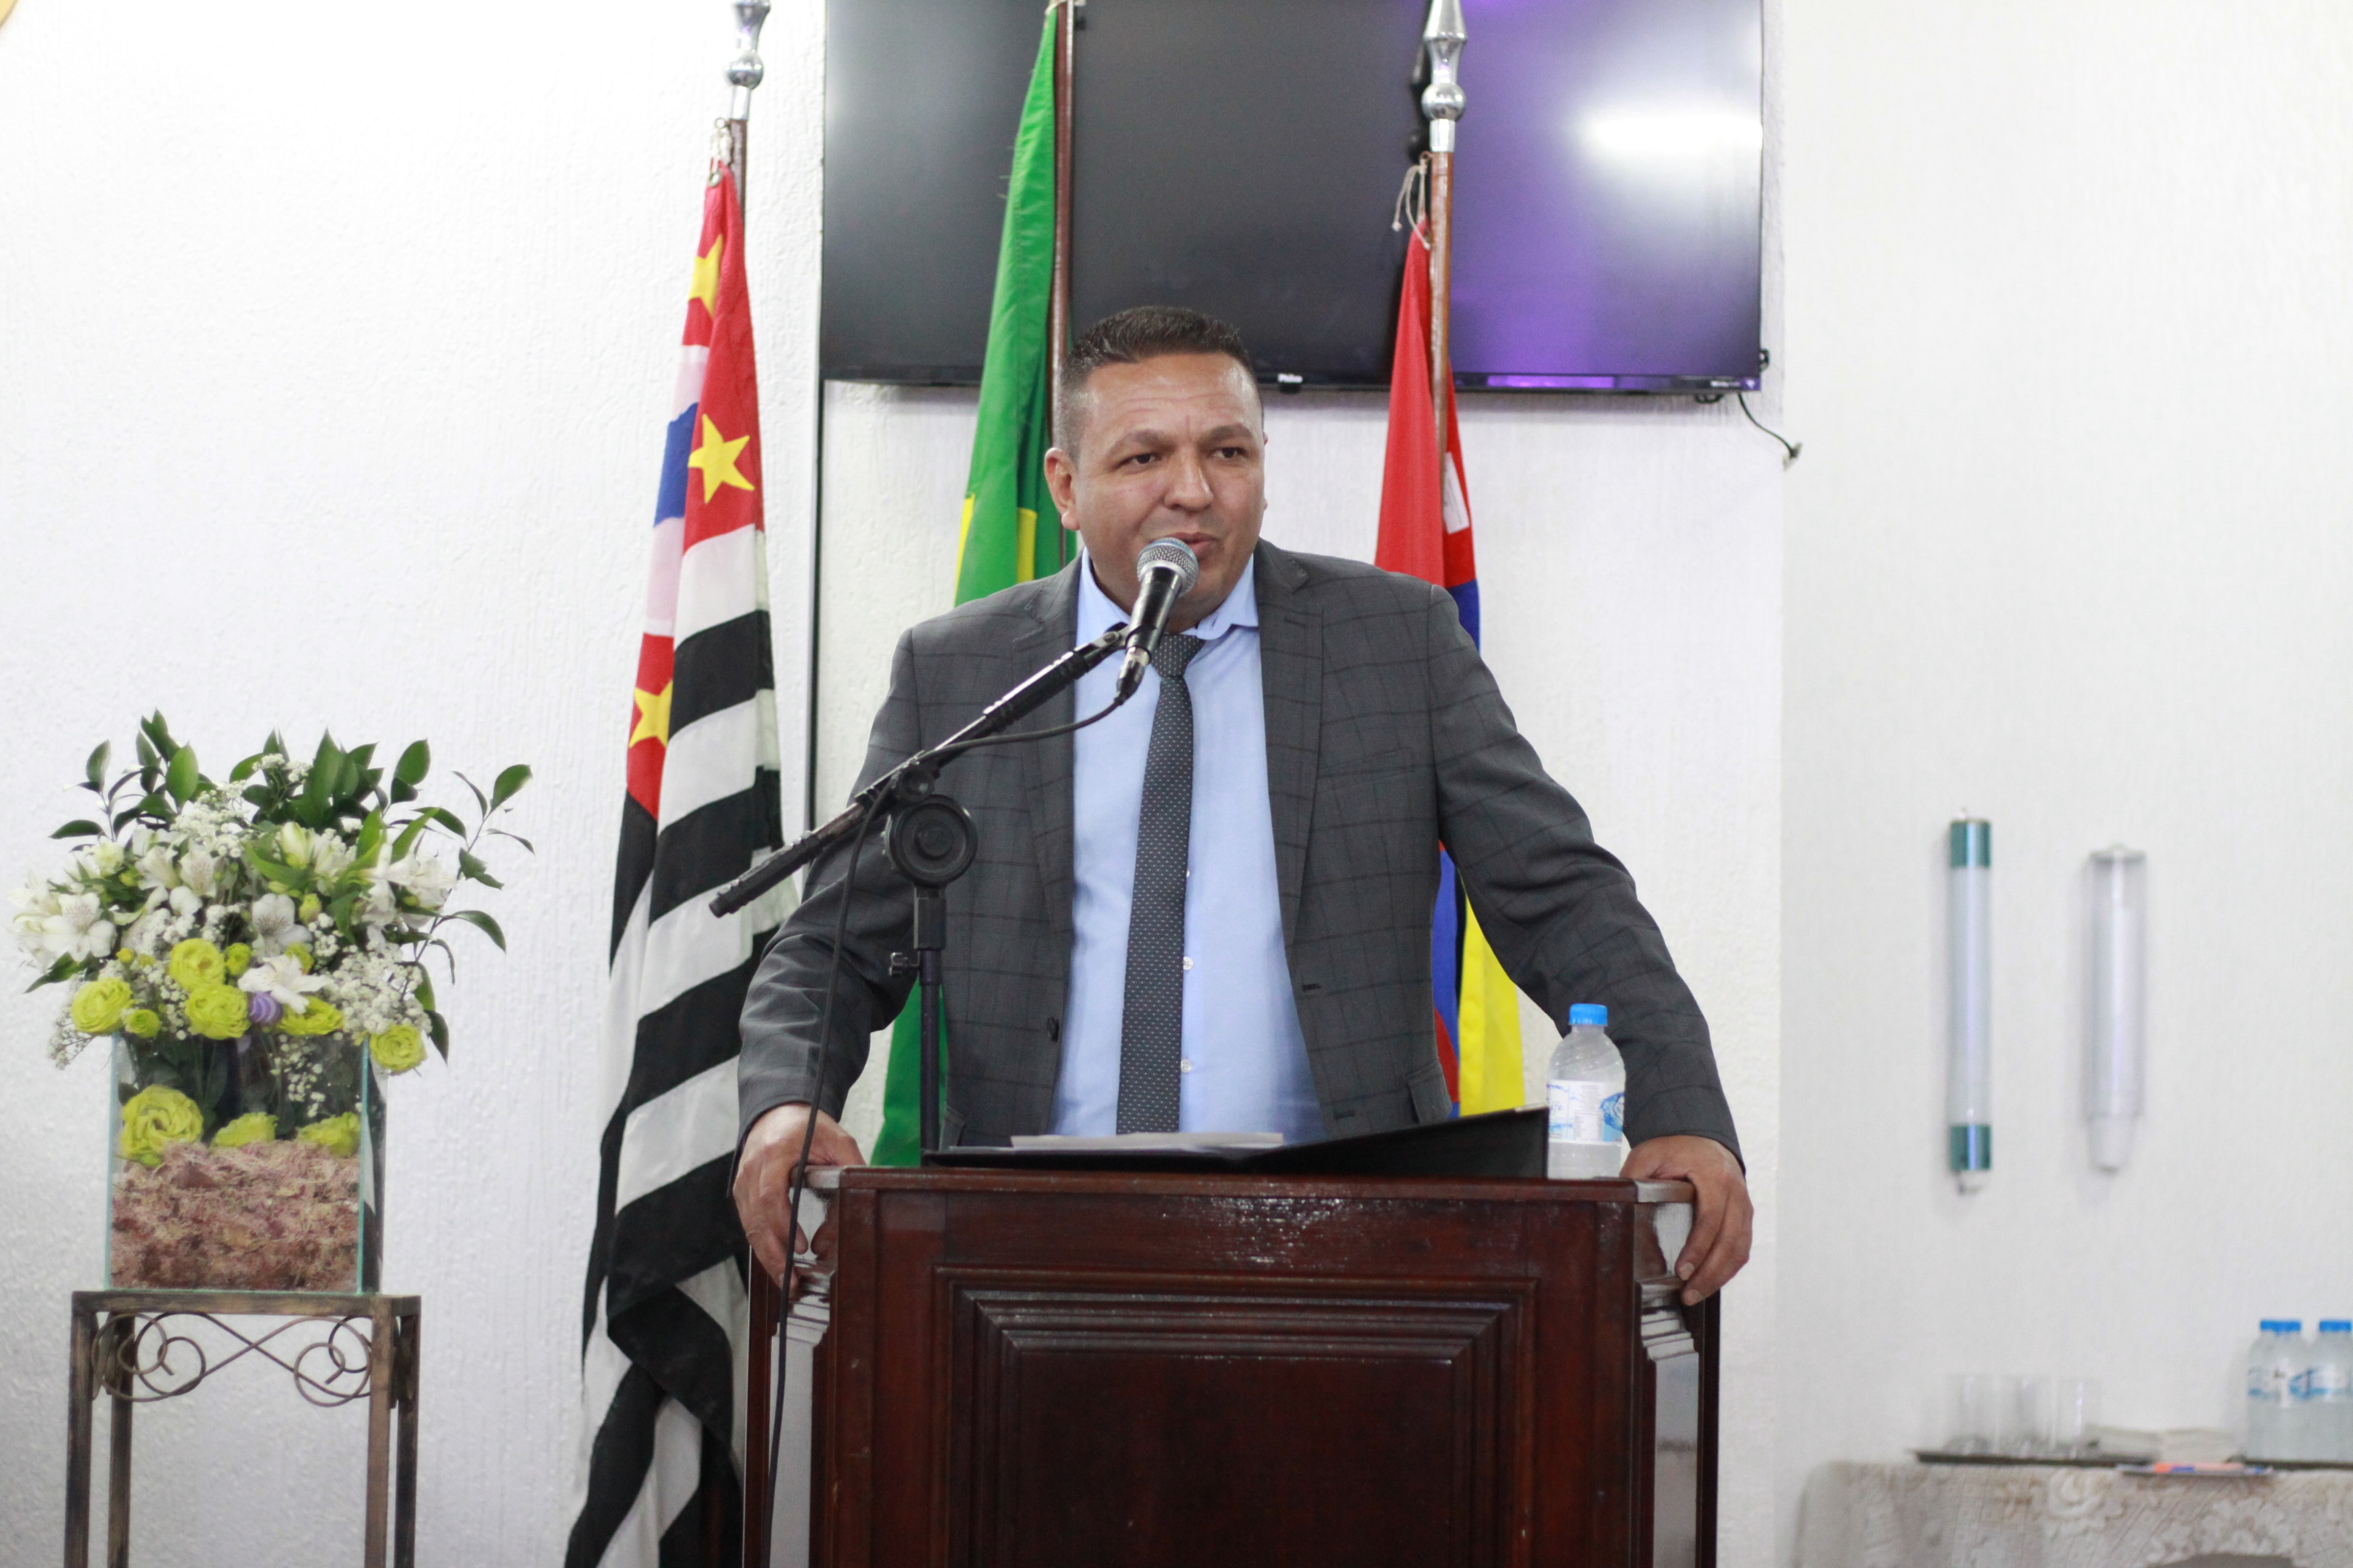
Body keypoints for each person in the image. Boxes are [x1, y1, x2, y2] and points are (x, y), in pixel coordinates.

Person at [735, 307, 1751, 1304]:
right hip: (1027, 1250)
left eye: (1227, 451)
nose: (1193, 490)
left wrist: (1683, 1110)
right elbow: (835, 945)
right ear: (1067, 486)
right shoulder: (965, 673)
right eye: (1144, 458)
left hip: (1352, 1240)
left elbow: (1562, 896)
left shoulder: (1395, 643)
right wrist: (787, 1105)